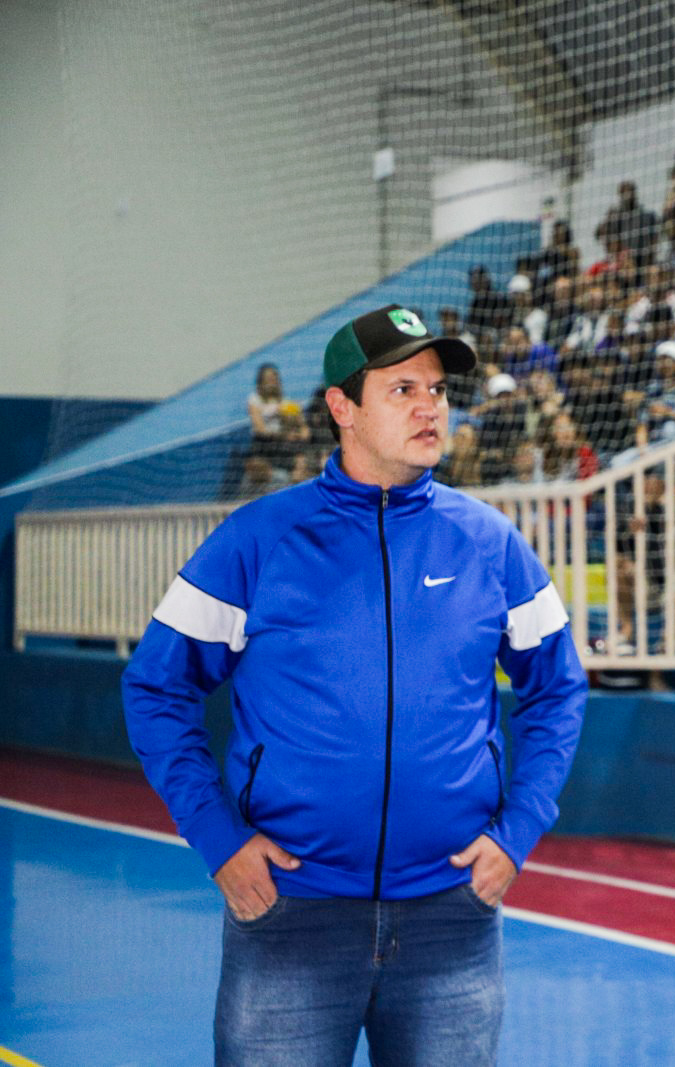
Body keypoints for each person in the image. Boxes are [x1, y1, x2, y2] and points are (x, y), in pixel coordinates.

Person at [122, 304, 588, 1065]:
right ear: (343, 406)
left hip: (452, 919)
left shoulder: (489, 542)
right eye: (402, 388)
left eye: (437, 388)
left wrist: (520, 829)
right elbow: (155, 687)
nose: (430, 405)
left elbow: (558, 686)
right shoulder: (257, 539)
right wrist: (218, 840)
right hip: (291, 913)